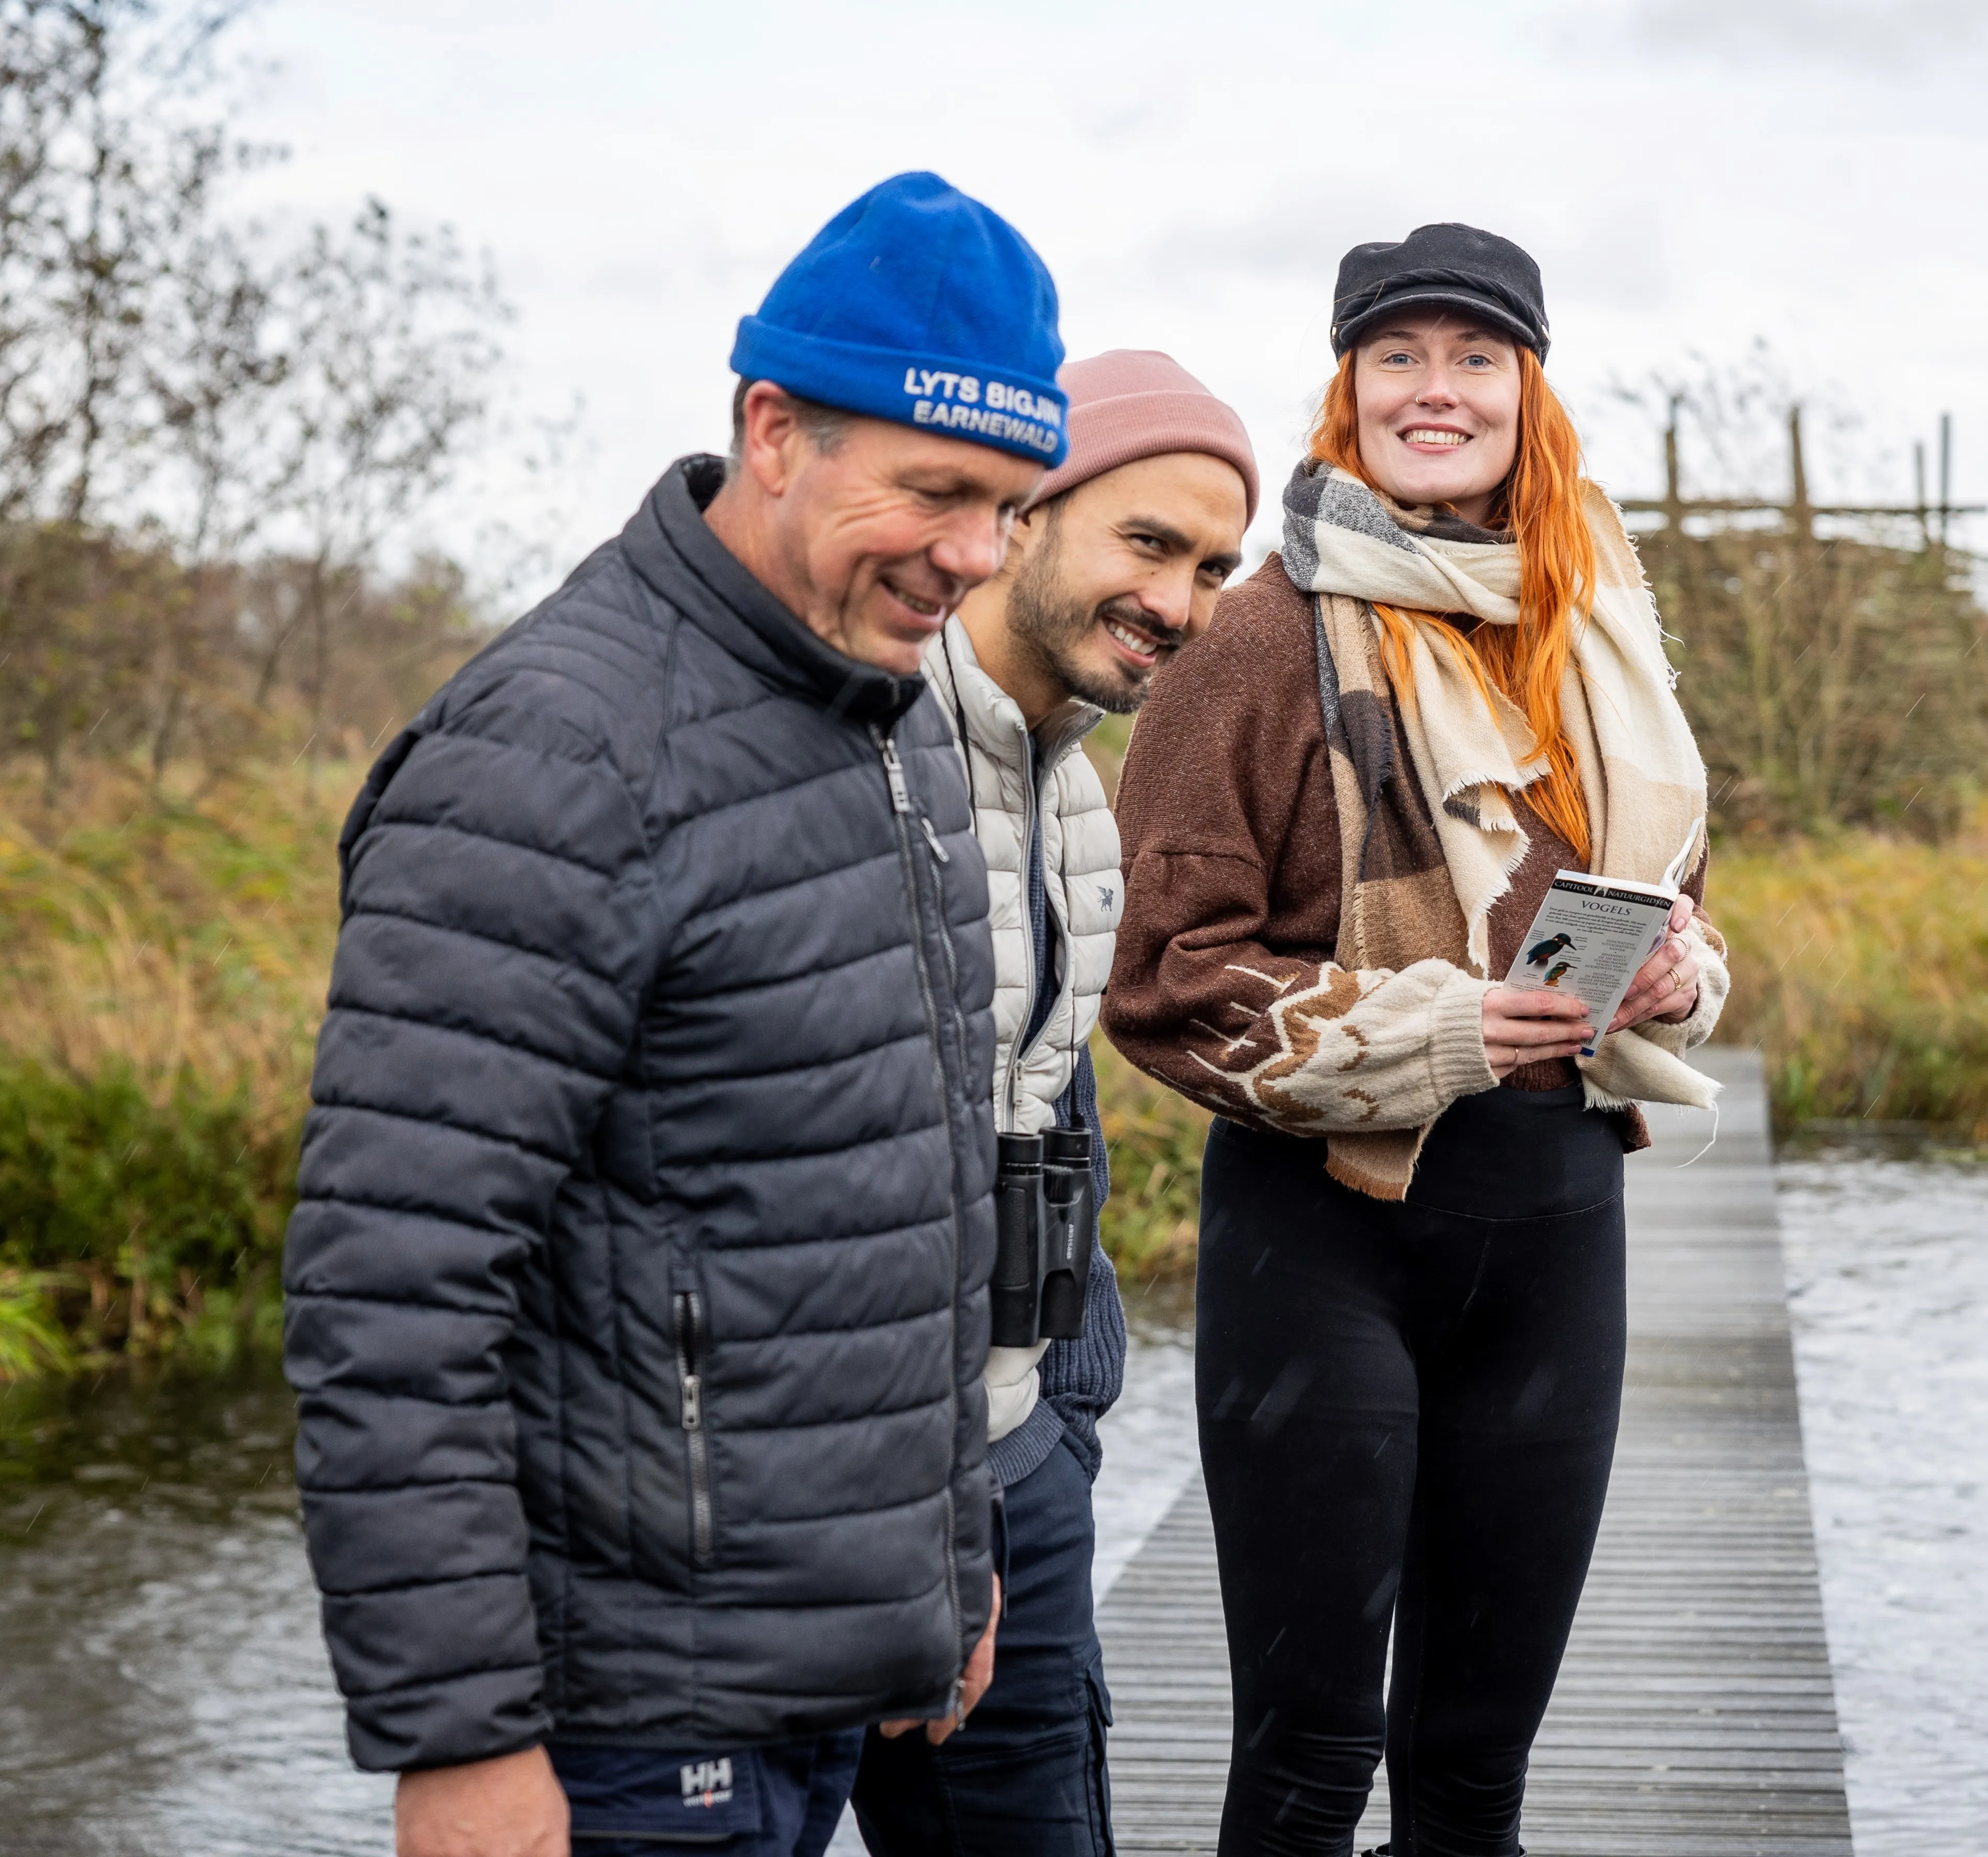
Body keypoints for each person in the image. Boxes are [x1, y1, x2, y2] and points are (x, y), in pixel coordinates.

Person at [283, 171, 1069, 1857]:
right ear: (772, 429)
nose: (975, 554)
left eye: (1009, 504)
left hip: (827, 1681)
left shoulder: (895, 716)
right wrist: (462, 1742)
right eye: (936, 491)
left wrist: (946, 1565)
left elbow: (900, 1195)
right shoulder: (555, 752)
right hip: (620, 1732)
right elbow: (395, 1282)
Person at [1102, 222, 1732, 1857]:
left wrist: (1676, 972)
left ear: (1528, 390)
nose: (1432, 390)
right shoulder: (1254, 640)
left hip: (1552, 1224)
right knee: (1309, 1764)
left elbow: (1680, 892)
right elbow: (1167, 980)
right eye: (1397, 357)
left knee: (1472, 1772)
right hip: (1322, 1236)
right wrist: (1443, 1030)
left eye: (1472, 359)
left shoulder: (1595, 622)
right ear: (1346, 386)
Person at [849, 350, 1256, 1854]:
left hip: (1014, 1476)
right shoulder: (856, 757)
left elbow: (1045, 1107)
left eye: (1213, 564)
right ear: (1018, 516)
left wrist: (1058, 1422)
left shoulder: (1075, 784)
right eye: (1147, 543)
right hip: (826, 1509)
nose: (1184, 598)